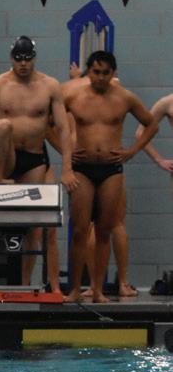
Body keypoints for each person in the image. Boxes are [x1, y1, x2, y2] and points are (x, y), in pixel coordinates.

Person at [0, 36, 76, 288]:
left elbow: (63, 129)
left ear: (34, 58)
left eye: (27, 59)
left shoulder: (49, 86)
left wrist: (67, 168)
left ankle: (25, 283)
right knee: (1, 126)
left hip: (34, 158)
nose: (23, 64)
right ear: (11, 59)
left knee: (35, 227)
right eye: (18, 59)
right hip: (5, 158)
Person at [63, 50, 158, 303]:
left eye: (106, 73)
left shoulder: (124, 98)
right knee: (80, 230)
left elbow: (151, 124)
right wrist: (65, 152)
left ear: (113, 73)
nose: (101, 77)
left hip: (111, 169)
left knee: (104, 230)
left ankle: (97, 290)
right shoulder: (73, 96)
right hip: (82, 168)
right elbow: (49, 122)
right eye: (96, 72)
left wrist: (132, 151)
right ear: (89, 72)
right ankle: (75, 289)